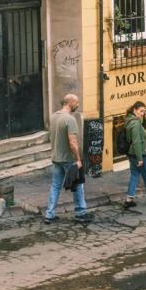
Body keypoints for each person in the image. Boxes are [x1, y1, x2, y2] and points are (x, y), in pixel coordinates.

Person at [44, 94, 92, 224]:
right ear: (70, 103)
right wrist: (78, 159)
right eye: (77, 102)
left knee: (55, 186)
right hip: (69, 159)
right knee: (78, 185)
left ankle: (49, 214)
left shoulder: (53, 117)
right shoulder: (70, 119)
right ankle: (81, 213)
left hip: (56, 158)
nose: (78, 105)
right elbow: (73, 143)